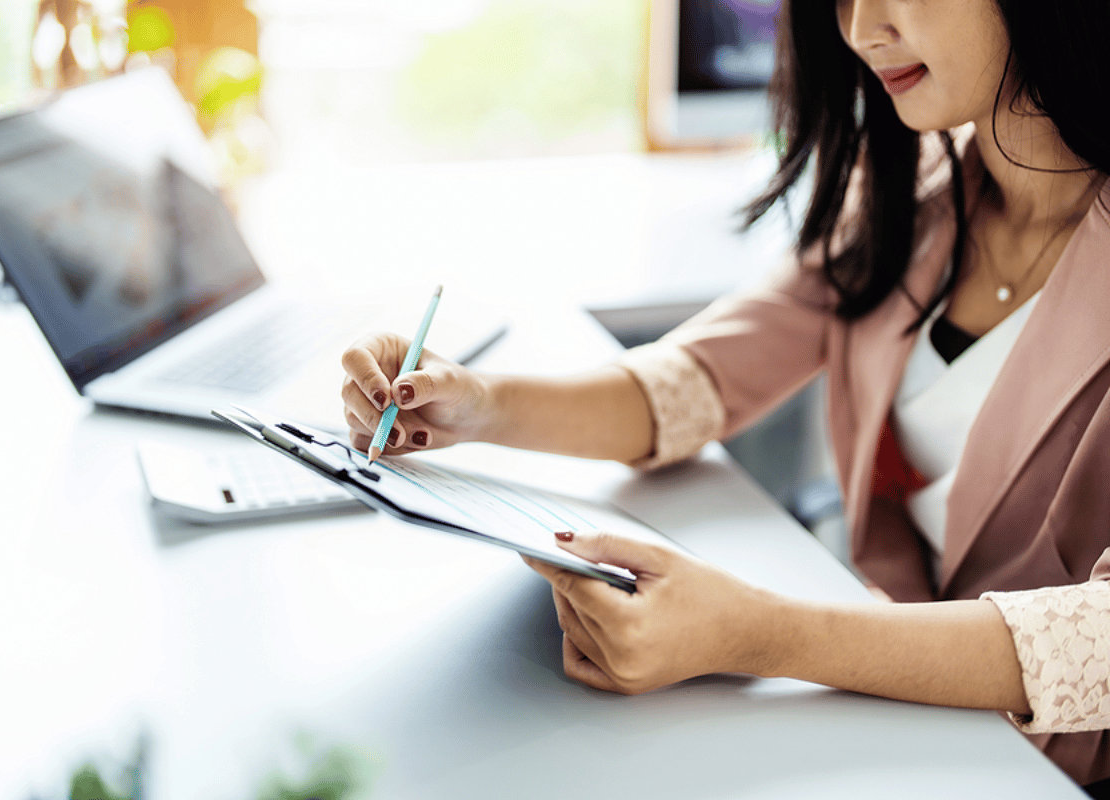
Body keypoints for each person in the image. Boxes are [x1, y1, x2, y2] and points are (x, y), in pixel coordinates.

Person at [340, 0, 1110, 791]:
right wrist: (474, 402)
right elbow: (698, 381)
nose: (860, 28)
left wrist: (759, 635)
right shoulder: (918, 186)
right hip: (906, 727)